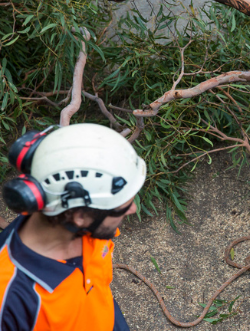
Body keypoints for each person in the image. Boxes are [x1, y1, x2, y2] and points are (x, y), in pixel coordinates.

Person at [0, 123, 147, 331]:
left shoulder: (93, 228)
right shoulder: (11, 300)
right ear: (79, 215)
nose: (132, 209)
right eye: (121, 207)